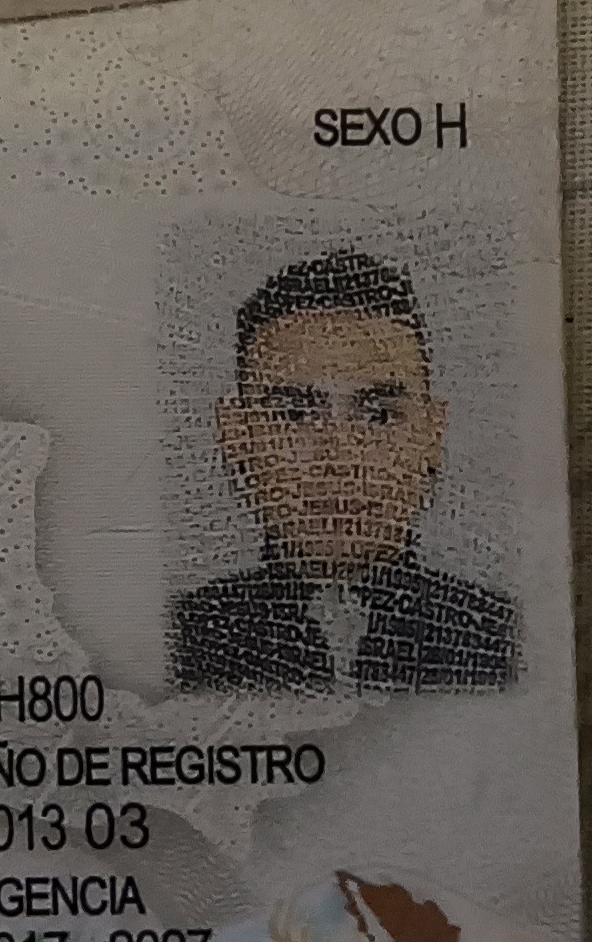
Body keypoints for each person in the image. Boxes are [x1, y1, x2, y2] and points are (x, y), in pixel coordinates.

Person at [170, 249, 516, 694]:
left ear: (432, 434)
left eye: (379, 416)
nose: (339, 457)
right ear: (236, 434)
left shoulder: (501, 639)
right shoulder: (182, 640)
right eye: (295, 415)